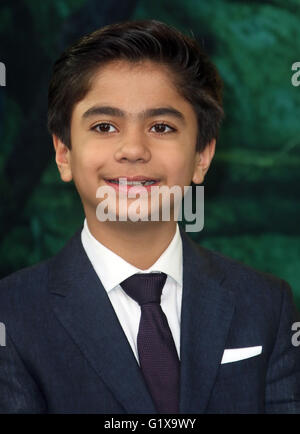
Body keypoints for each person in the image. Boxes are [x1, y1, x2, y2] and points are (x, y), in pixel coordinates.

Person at [0, 19, 299, 414]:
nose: (133, 149)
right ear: (63, 153)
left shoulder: (265, 304)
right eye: (104, 126)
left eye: (161, 126)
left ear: (202, 157)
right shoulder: (12, 312)